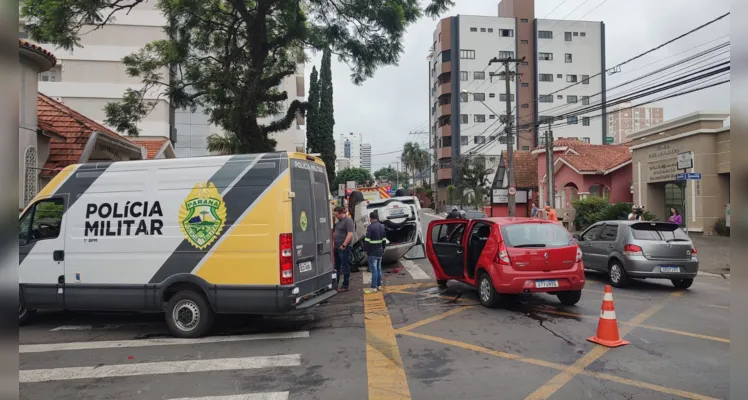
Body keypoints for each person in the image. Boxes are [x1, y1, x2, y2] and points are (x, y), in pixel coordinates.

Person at [363, 211, 387, 294]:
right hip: (380, 250)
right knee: (379, 269)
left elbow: (367, 240)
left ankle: (373, 287)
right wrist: (383, 248)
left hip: (372, 251)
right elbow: (384, 240)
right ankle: (379, 285)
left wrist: (365, 250)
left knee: (374, 270)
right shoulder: (382, 226)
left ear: (370, 218)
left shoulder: (370, 227)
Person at [333, 206, 354, 292]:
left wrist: (344, 245)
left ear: (341, 213)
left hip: (344, 248)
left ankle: (345, 285)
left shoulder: (348, 221)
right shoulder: (338, 221)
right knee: (336, 267)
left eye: (336, 215)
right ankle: (336, 285)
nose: (336, 216)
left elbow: (350, 234)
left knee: (345, 266)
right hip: (337, 247)